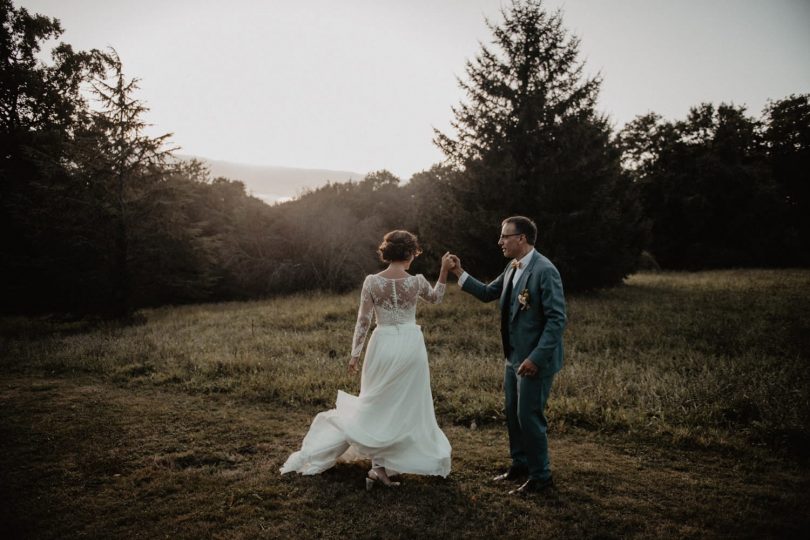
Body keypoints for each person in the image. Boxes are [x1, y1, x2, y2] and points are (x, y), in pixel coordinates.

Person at [280, 230, 453, 489]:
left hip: (381, 343)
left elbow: (364, 321)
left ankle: (379, 468)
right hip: (410, 345)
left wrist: (355, 354)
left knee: (377, 403)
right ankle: (387, 464)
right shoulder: (416, 281)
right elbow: (437, 298)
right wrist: (443, 271)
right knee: (407, 405)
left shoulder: (372, 282)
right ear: (408, 253)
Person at [448, 216, 566, 495]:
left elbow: (557, 320)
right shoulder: (512, 266)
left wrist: (536, 358)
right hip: (512, 357)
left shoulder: (545, 270)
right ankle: (521, 465)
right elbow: (489, 292)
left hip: (535, 361)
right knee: (513, 415)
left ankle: (542, 478)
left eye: (505, 236)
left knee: (529, 416)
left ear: (521, 238)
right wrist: (459, 273)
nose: (500, 241)